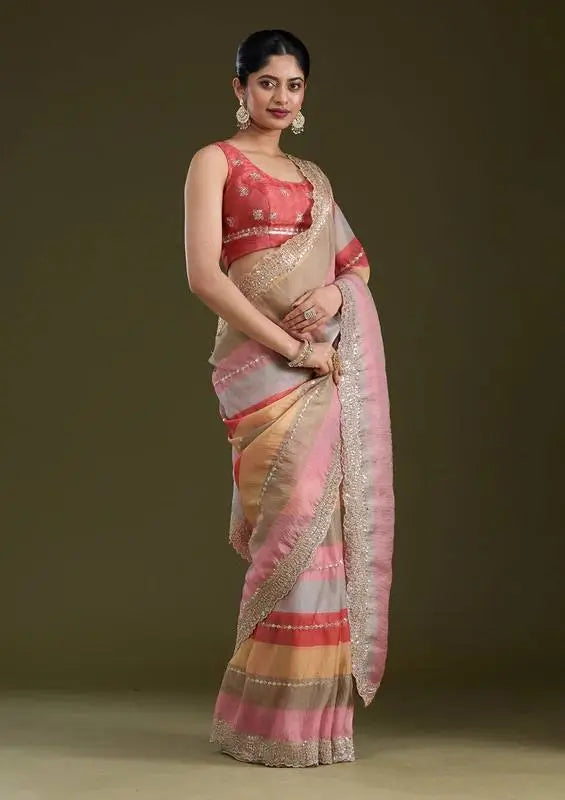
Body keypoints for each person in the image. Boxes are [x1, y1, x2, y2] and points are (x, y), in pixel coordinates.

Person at [184, 29, 394, 768]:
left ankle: (309, 725)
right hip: (263, 371)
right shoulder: (215, 161)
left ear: (305, 93)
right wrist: (293, 347)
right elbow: (204, 276)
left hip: (319, 371)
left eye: (293, 84)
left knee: (320, 532)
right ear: (239, 87)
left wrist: (335, 294)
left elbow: (355, 267)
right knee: (288, 527)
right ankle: (263, 721)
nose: (280, 96)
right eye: (267, 82)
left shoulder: (314, 178)